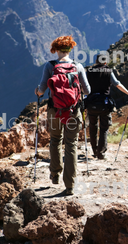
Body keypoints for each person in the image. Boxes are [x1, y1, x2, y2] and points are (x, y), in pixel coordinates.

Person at [35, 35, 90, 195]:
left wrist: (37, 91)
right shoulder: (78, 66)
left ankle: (55, 174)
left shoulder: (50, 66)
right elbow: (87, 91)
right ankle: (70, 185)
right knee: (71, 144)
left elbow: (41, 89)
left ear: (55, 49)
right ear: (70, 48)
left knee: (55, 140)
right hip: (73, 111)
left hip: (54, 111)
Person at [85, 54, 128, 160]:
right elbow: (117, 84)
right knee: (104, 128)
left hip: (91, 104)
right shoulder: (108, 71)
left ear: (96, 61)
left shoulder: (89, 72)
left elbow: (83, 86)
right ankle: (101, 153)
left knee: (92, 127)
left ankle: (94, 150)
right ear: (105, 62)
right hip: (104, 104)